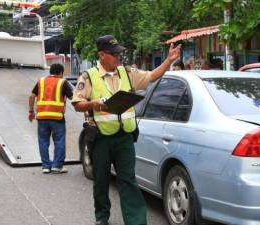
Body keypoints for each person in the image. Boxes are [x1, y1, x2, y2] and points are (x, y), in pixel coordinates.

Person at [72, 35, 181, 225]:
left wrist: (169, 60)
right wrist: (93, 104)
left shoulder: (127, 73)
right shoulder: (89, 76)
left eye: (120, 54)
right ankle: (102, 217)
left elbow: (151, 76)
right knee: (101, 181)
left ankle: (136, 221)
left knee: (128, 181)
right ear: (102, 55)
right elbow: (77, 103)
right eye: (114, 54)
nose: (119, 57)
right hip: (101, 139)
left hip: (125, 138)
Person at [28, 63, 73, 174]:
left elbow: (32, 95)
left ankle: (46, 166)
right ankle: (57, 166)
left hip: (42, 117)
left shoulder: (41, 81)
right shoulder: (62, 82)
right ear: (61, 73)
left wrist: (30, 111)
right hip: (57, 117)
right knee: (59, 141)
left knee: (43, 141)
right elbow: (73, 97)